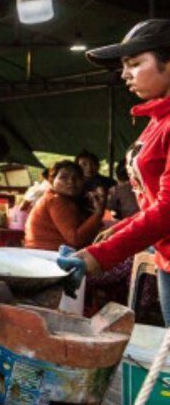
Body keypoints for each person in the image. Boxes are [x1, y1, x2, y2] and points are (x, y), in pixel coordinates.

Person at [63, 19, 170, 328]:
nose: (124, 74)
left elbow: (167, 210)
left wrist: (98, 256)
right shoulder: (157, 120)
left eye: (135, 63)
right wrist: (121, 230)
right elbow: (156, 203)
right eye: (124, 66)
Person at [24, 160, 104, 251]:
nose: (71, 181)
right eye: (63, 177)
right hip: (49, 255)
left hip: (44, 253)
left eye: (76, 177)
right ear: (52, 181)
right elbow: (75, 239)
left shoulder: (63, 199)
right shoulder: (56, 200)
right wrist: (98, 213)